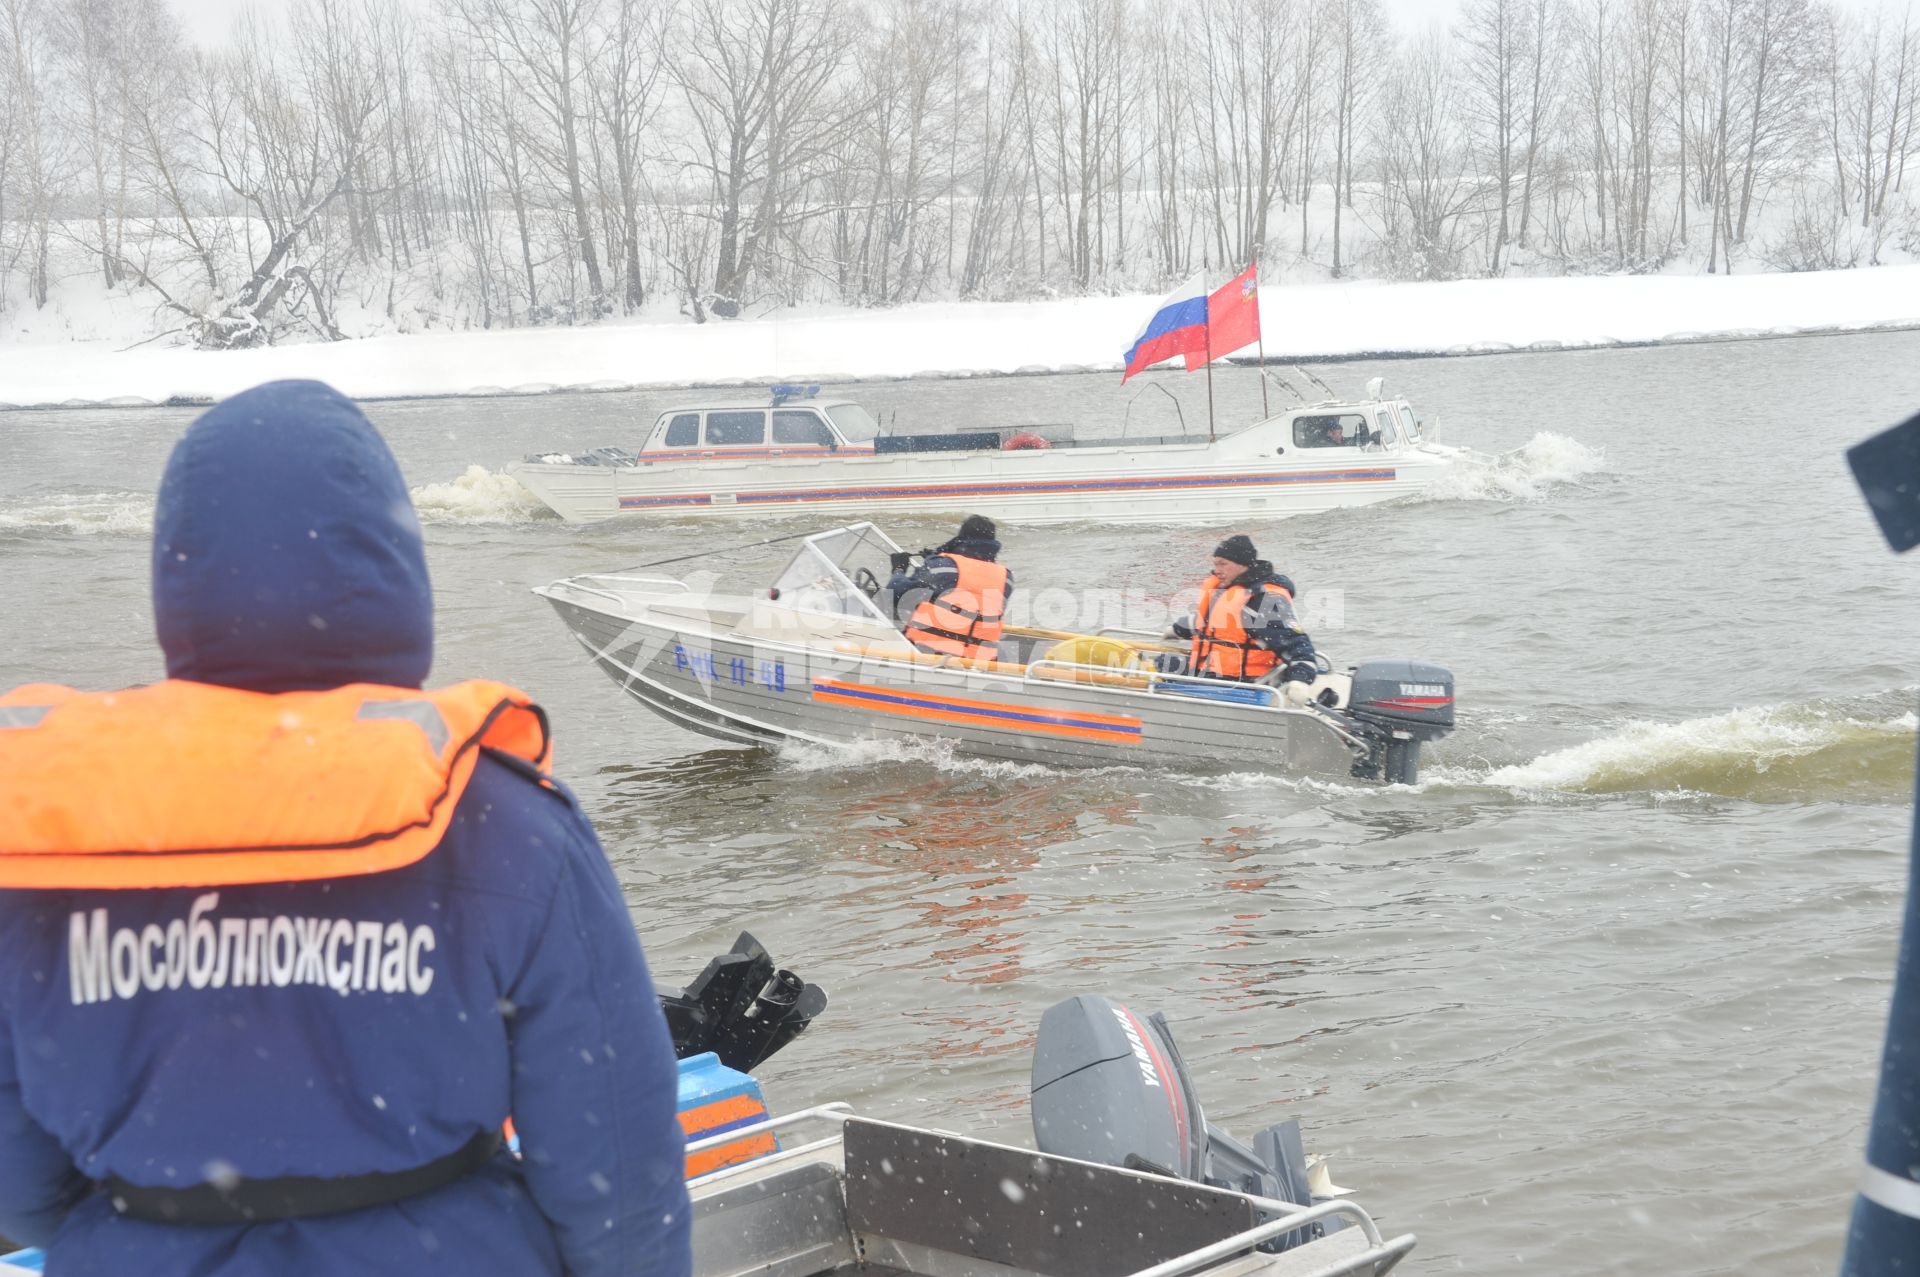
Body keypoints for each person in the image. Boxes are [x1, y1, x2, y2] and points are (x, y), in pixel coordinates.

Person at [0, 381, 691, 1277]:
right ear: (395, 565)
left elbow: (18, 1161)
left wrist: (142, 1224)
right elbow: (617, 1152)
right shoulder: (508, 820)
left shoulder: (42, 833)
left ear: (177, 569)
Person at [1168, 534, 1319, 701]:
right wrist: (1177, 629)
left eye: (1223, 564)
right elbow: (1208, 623)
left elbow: (1295, 642)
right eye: (1215, 564)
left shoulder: (1260, 599)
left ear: (1243, 565)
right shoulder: (1227, 589)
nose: (1217, 571)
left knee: (1156, 674)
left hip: (1238, 682)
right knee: (1164, 662)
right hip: (1212, 671)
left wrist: (1300, 678)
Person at [886, 514, 1014, 661]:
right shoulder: (1006, 578)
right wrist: (934, 560)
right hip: (978, 663)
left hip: (928, 655)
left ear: (961, 536)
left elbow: (895, 594)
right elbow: (967, 586)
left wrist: (899, 569)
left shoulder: (944, 566)